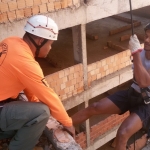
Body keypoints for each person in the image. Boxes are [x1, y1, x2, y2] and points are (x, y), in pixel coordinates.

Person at [0, 15, 75, 150]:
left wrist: (33, 101)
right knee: (42, 112)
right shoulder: (26, 63)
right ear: (40, 41)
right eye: (50, 44)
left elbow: (27, 82)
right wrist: (68, 123)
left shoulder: (11, 41)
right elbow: (48, 95)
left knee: (29, 116)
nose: (50, 49)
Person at [72, 23, 150, 150]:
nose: (146, 40)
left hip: (146, 104)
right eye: (146, 36)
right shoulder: (141, 53)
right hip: (132, 93)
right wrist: (137, 54)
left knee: (123, 133)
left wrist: (135, 53)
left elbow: (144, 82)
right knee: (94, 107)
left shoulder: (138, 53)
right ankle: (62, 125)